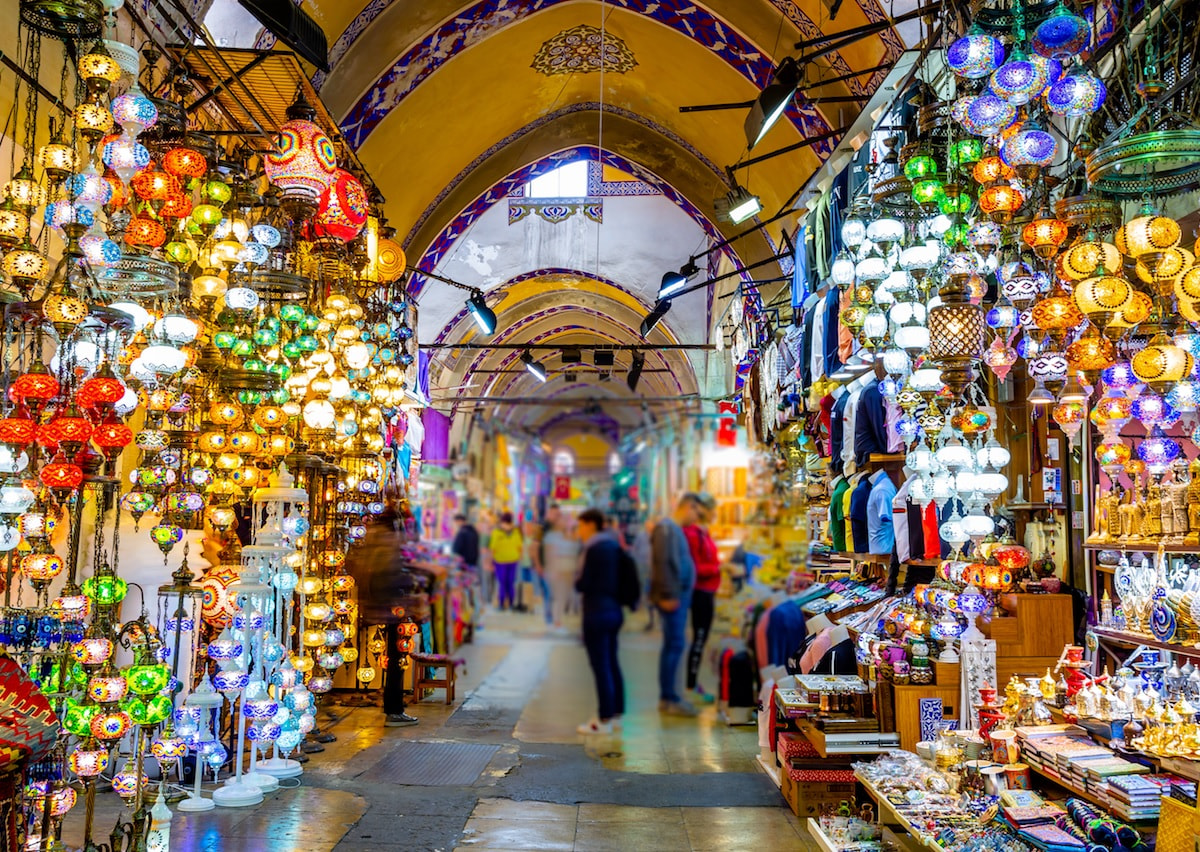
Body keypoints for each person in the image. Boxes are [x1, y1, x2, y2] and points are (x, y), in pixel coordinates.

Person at [350, 506, 418, 727]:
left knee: (394, 657)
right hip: (393, 606)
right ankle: (394, 709)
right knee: (397, 658)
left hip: (382, 604)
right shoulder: (390, 541)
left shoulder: (375, 538)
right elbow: (394, 574)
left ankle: (393, 706)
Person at [649, 494, 702, 716]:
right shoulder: (667, 529)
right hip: (672, 598)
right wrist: (668, 594)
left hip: (676, 596)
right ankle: (670, 697)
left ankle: (670, 696)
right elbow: (663, 563)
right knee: (675, 645)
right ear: (687, 507)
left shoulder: (672, 530)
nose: (696, 517)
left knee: (674, 645)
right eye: (695, 512)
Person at [574, 508, 625, 735]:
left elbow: (583, 583)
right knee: (612, 662)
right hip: (614, 611)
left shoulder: (593, 549)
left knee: (600, 665)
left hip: (596, 612)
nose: (579, 531)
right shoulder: (614, 546)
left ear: (591, 525)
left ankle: (603, 719)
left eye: (581, 525)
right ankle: (615, 715)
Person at [684, 494, 720, 704]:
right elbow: (694, 568)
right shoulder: (692, 534)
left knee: (701, 639)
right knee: (698, 640)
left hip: (707, 592)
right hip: (700, 593)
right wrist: (718, 568)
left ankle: (692, 684)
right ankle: (690, 686)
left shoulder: (701, 533)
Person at [542, 513, 581, 631]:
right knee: (558, 597)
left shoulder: (569, 535)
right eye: (563, 520)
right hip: (558, 570)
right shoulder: (552, 537)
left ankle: (558, 621)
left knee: (564, 597)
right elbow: (550, 555)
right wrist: (552, 569)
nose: (565, 523)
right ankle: (556, 622)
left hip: (569, 570)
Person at [486, 512, 523, 610]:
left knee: (503, 583)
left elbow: (492, 549)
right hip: (511, 560)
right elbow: (520, 547)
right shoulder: (515, 532)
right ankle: (510, 604)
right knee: (509, 582)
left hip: (502, 561)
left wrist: (490, 562)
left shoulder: (497, 532)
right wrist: (520, 557)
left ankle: (502, 604)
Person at [629, 519, 656, 631]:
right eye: (647, 525)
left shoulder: (656, 536)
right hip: (641, 563)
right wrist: (635, 560)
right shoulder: (641, 535)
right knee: (641, 583)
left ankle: (648, 602)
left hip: (653, 565)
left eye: (650, 525)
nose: (649, 527)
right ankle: (641, 601)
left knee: (649, 585)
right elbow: (635, 548)